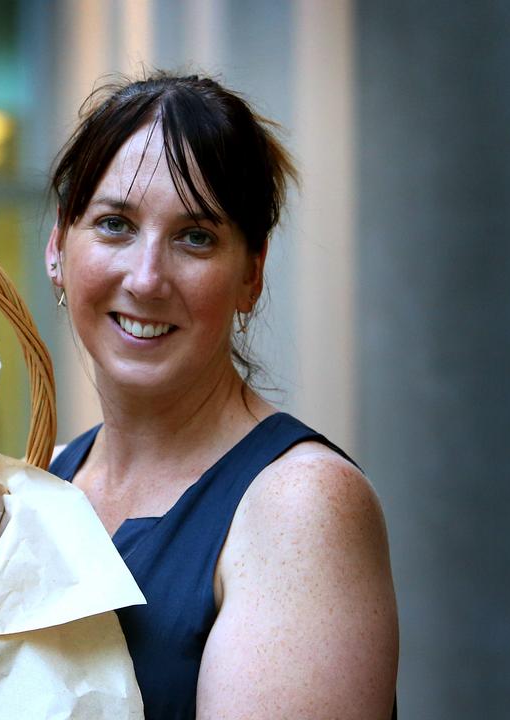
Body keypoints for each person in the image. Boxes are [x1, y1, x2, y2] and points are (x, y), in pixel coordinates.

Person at [44, 73, 399, 719]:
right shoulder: (44, 482)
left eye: (195, 237)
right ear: (58, 247)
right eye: (115, 223)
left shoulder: (299, 508)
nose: (147, 278)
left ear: (251, 275)